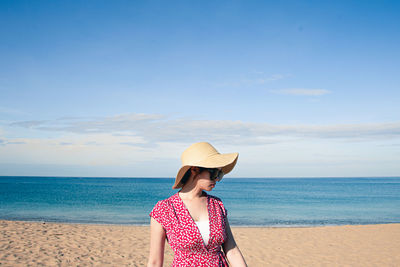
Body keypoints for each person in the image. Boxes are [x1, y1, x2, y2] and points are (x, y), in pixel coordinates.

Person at [147, 142, 247, 267]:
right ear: (195, 170)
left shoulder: (217, 205)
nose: (217, 179)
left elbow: (232, 251)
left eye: (220, 175)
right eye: (214, 173)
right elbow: (155, 262)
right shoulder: (164, 209)